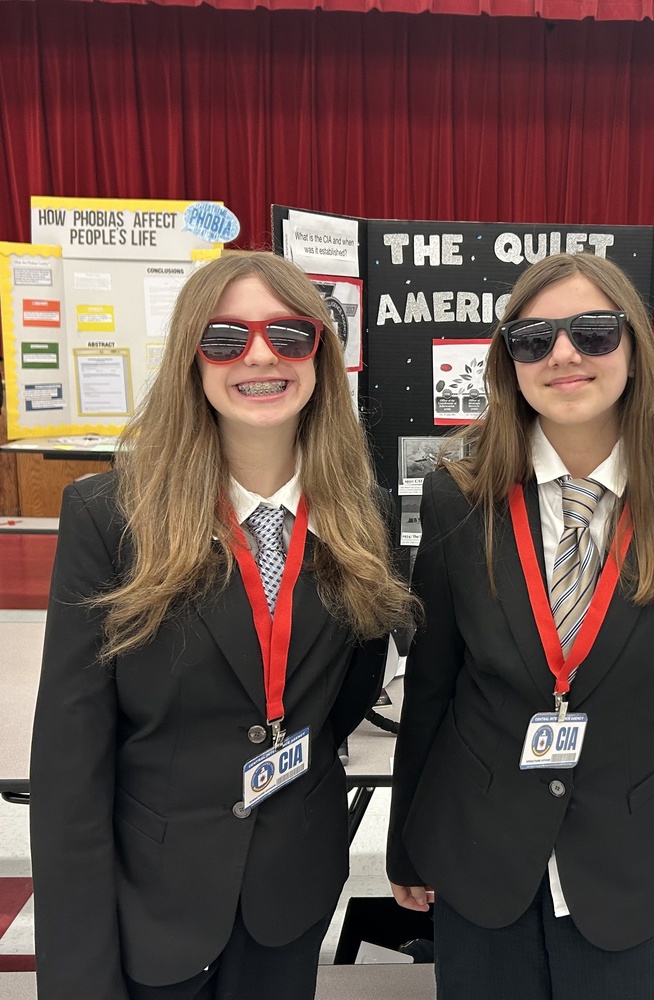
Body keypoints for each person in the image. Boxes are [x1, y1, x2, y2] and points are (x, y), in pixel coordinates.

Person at [30, 251, 416, 1000]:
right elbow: (71, 766)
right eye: (225, 339)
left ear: (320, 357)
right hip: (153, 897)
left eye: (288, 335)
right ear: (192, 362)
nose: (261, 356)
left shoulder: (363, 513)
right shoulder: (111, 518)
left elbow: (346, 696)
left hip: (291, 889)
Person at [387, 252, 654, 1000]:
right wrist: (406, 849)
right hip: (481, 855)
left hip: (627, 869)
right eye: (534, 338)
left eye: (592, 332)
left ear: (635, 347)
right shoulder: (461, 500)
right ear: (509, 360)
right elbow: (432, 686)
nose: (563, 354)